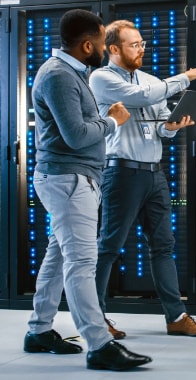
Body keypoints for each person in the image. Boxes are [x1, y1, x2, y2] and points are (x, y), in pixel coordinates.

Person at [23, 9, 152, 371]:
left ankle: (38, 330)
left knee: (59, 257)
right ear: (85, 44)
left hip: (73, 179)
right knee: (82, 262)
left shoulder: (72, 73)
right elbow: (77, 136)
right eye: (100, 42)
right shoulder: (59, 76)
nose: (104, 48)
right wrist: (112, 121)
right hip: (68, 179)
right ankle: (100, 344)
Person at [89, 20, 196, 339]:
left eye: (143, 43)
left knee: (163, 246)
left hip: (154, 174)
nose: (141, 49)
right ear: (114, 49)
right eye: (134, 45)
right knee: (109, 246)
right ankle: (96, 318)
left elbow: (156, 121)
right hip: (121, 172)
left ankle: (176, 317)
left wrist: (170, 128)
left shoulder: (149, 80)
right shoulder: (102, 78)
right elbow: (143, 98)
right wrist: (184, 78)